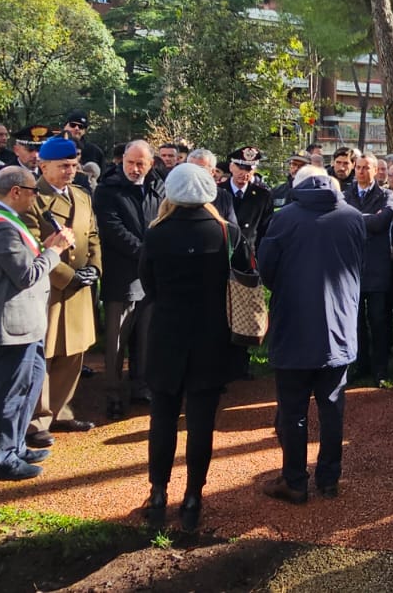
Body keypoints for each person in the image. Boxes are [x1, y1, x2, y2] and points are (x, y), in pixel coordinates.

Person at [138, 164, 250, 529]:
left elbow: (149, 285)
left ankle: (157, 494)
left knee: (162, 417)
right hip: (210, 336)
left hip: (166, 334)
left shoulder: (155, 234)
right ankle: (192, 499)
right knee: (202, 421)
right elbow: (246, 278)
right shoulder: (227, 233)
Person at [257, 166, 365, 505]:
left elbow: (266, 268)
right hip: (339, 327)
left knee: (293, 410)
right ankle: (329, 479)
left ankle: (295, 481)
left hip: (294, 325)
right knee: (332, 408)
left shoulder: (285, 218)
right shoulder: (352, 217)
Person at [0, 167, 74, 481]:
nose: (34, 197)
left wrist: (47, 247)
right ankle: (1, 460)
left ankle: (16, 446)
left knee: (28, 386)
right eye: (32, 191)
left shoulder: (1, 219)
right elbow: (25, 274)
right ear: (16, 191)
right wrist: (56, 250)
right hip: (10, 322)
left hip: (25, 320)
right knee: (11, 392)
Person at [18, 136, 102, 449]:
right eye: (62, 166)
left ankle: (60, 409)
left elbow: (92, 234)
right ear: (42, 166)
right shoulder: (31, 198)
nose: (70, 170)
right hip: (48, 287)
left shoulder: (81, 195)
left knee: (74, 353)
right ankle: (36, 419)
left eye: (73, 165)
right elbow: (35, 243)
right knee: (45, 354)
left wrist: (95, 267)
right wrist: (68, 275)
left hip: (79, 287)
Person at [93, 141, 162, 421]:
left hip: (151, 279)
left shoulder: (159, 189)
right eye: (130, 162)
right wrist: (147, 253)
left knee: (146, 339)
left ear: (151, 164)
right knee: (116, 342)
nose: (134, 169)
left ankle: (141, 387)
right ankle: (113, 393)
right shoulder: (107, 190)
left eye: (140, 164)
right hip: (121, 277)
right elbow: (112, 230)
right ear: (122, 160)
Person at [345, 152, 393, 387]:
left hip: (377, 269)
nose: (362, 171)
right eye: (359, 167)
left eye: (367, 168)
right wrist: (366, 219)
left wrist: (357, 219)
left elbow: (381, 222)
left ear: (376, 170)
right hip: (351, 269)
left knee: (378, 320)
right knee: (355, 323)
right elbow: (342, 223)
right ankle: (360, 364)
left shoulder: (386, 195)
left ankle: (380, 369)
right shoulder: (345, 194)